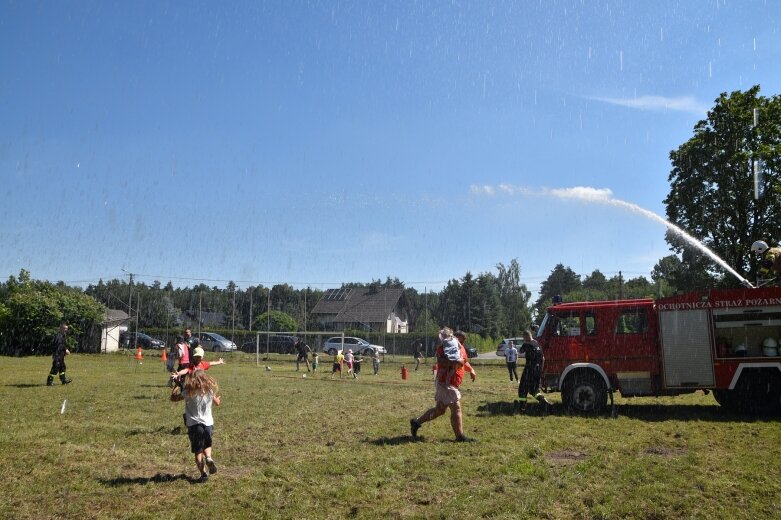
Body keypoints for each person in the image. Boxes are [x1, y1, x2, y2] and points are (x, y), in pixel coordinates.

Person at [410, 327, 476, 442]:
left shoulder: (460, 348)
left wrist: (471, 370)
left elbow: (464, 362)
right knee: (456, 408)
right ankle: (460, 437)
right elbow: (441, 361)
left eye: (464, 341)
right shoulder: (444, 347)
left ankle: (416, 422)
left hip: (450, 383)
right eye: (461, 340)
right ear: (454, 337)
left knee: (439, 410)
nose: (462, 343)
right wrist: (456, 362)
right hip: (446, 383)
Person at [170, 370, 221, 483]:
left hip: (194, 425)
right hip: (208, 424)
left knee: (198, 451)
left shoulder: (189, 392)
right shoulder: (209, 390)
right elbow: (217, 403)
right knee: (207, 445)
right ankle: (208, 457)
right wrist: (218, 399)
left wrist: (176, 386)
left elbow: (173, 398)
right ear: (205, 379)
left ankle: (203, 474)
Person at [517, 330, 552, 412]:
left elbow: (520, 352)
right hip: (538, 370)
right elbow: (543, 358)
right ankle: (543, 402)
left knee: (522, 388)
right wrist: (540, 370)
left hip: (529, 370)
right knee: (534, 390)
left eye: (523, 337)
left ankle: (522, 407)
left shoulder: (526, 344)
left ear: (525, 337)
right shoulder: (537, 343)